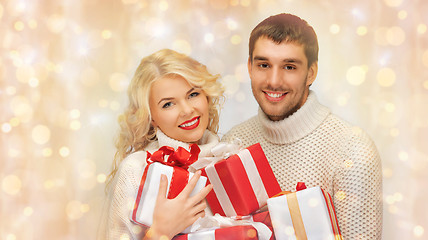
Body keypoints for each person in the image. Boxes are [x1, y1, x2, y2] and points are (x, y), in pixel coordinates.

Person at [223, 13, 383, 239]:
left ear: (311, 73)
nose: (274, 80)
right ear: (250, 67)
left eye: (289, 67)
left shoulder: (352, 149)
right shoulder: (232, 142)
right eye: (263, 64)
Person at [99, 49, 224, 240]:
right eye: (168, 104)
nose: (187, 110)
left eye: (193, 94)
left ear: (206, 96)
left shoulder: (228, 157)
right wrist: (160, 233)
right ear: (151, 118)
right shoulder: (136, 169)